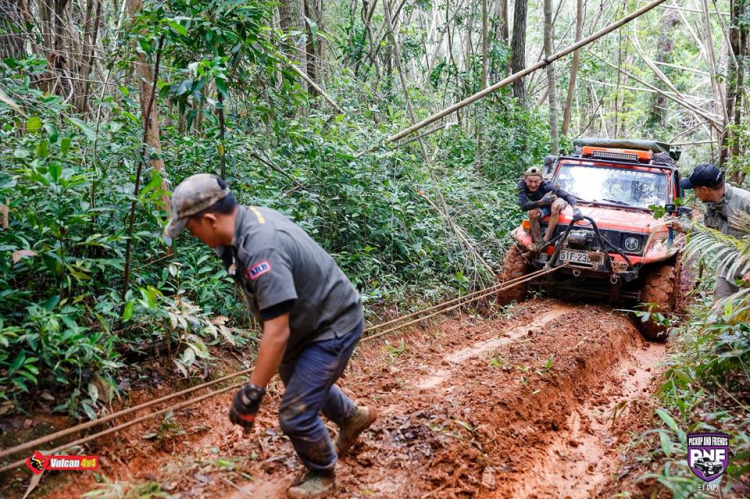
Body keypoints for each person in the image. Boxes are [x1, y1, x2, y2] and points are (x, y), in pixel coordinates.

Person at [164, 174, 377, 498]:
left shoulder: (262, 247)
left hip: (332, 324)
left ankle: (323, 474)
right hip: (308, 319)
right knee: (297, 384)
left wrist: (252, 391)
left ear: (209, 219)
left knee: (294, 414)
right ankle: (352, 418)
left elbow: (276, 333)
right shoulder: (242, 227)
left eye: (192, 230)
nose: (193, 237)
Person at [673, 164, 750, 301]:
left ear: (704, 189)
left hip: (748, 270)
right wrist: (681, 227)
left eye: (694, 189)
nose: (695, 194)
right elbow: (708, 233)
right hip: (728, 269)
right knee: (719, 315)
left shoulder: (745, 201)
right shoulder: (711, 207)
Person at [517, 166, 583, 251]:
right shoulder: (522, 185)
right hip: (544, 205)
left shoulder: (547, 186)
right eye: (530, 181)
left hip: (558, 201)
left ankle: (546, 239)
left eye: (536, 181)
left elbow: (567, 195)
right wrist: (541, 202)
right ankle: (538, 242)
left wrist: (575, 209)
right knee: (532, 212)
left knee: (555, 206)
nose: (533, 185)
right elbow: (523, 206)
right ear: (525, 179)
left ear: (541, 180)